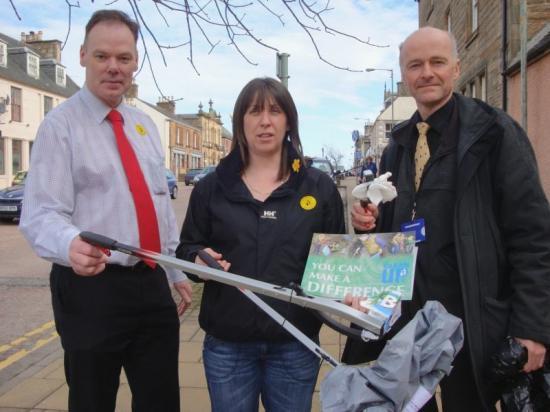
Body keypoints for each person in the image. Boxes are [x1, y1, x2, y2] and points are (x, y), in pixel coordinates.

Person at [343, 26, 550, 411]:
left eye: (437, 62)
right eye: (415, 65)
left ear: (456, 68)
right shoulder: (397, 147)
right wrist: (366, 224)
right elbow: (390, 229)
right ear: (405, 76)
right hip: (407, 322)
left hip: (474, 322)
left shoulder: (494, 134)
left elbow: (534, 237)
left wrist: (532, 330)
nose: (427, 73)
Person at [19, 9, 192, 412]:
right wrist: (69, 245)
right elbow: (41, 213)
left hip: (149, 284)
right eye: (102, 56)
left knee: (161, 400)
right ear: (82, 56)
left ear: (135, 63)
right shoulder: (59, 127)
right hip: (90, 288)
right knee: (93, 401)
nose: (114, 67)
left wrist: (175, 270)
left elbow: (159, 208)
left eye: (124, 58)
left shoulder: (143, 127)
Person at [177, 77, 345, 412]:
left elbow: (335, 263)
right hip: (228, 346)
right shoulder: (211, 188)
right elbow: (187, 248)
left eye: (275, 111)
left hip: (295, 343)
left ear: (288, 121)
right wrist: (197, 261)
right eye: (254, 111)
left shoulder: (318, 187)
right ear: (241, 121)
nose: (265, 121)